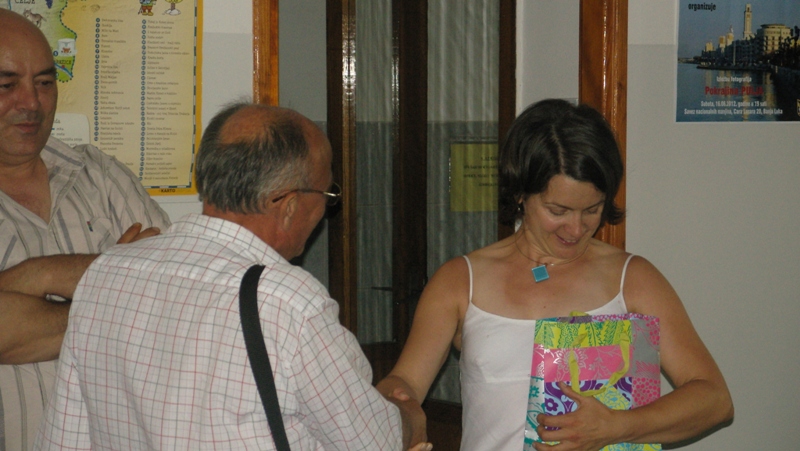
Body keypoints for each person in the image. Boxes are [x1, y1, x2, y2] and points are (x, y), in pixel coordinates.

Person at [34, 102, 431, 450]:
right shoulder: (289, 302)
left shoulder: (108, 273)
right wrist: (408, 415)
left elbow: (66, 438)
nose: (324, 212)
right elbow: (372, 441)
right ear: (289, 206)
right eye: (327, 196)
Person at [377, 99, 734, 450]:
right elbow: (405, 381)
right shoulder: (460, 281)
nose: (576, 229)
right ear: (521, 193)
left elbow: (714, 399)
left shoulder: (633, 279)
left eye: (591, 210)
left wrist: (616, 427)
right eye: (558, 210)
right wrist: (391, 406)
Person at [0, 8, 170, 450]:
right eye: (6, 85)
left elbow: (175, 296)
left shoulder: (99, 175)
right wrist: (104, 277)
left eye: (44, 82)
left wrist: (38, 281)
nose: (31, 103)